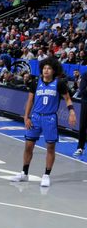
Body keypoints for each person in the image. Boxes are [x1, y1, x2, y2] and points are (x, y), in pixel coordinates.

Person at [10, 57, 77, 186]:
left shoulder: (59, 83)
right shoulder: (35, 83)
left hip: (50, 118)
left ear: (54, 71)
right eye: (44, 68)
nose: (46, 70)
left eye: (49, 68)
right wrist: (26, 116)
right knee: (28, 146)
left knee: (50, 147)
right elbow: (30, 100)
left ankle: (46, 175)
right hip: (35, 117)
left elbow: (68, 99)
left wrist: (72, 112)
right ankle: (24, 173)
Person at [73, 68, 86, 158]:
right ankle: (80, 147)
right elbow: (82, 91)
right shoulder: (85, 75)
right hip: (86, 103)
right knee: (83, 126)